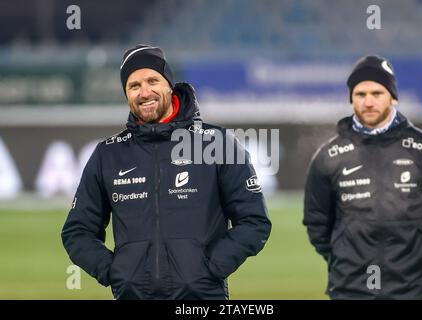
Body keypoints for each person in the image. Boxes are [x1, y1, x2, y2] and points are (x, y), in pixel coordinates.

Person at [61, 45, 271, 300]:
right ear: (126, 94)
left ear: (169, 85)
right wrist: (115, 272)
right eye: (134, 85)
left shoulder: (217, 143)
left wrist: (211, 269)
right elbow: (77, 231)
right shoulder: (108, 154)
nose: (144, 92)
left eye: (152, 81)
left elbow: (254, 221)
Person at [303, 55, 422, 300]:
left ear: (393, 96)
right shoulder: (329, 155)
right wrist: (343, 256)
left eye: (377, 93)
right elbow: (317, 221)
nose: (368, 102)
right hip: (350, 288)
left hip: (412, 287)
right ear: (351, 99)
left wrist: (418, 250)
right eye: (360, 94)